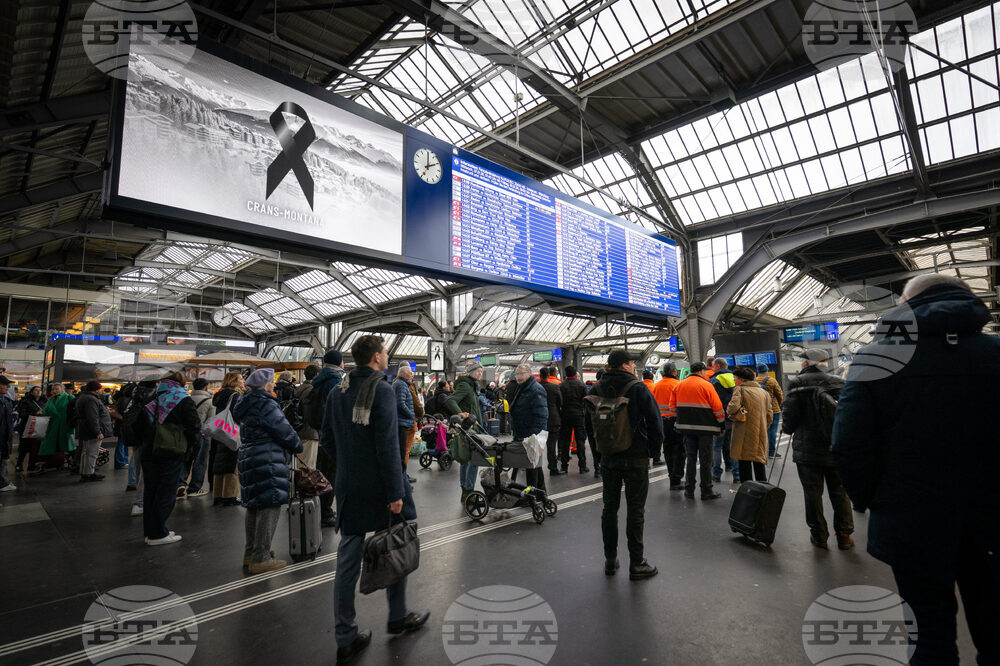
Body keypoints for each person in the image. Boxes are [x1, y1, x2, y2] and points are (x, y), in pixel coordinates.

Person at [832, 274, 1000, 664]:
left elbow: (848, 445)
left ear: (907, 305)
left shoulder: (874, 359)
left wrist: (875, 501)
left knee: (927, 635)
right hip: (993, 518)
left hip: (911, 521)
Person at [322, 335, 429, 663]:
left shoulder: (336, 391)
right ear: (376, 357)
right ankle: (397, 617)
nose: (388, 356)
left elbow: (327, 439)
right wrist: (396, 493)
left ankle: (346, 635)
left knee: (348, 562)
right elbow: (387, 446)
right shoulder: (380, 389)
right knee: (397, 544)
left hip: (350, 487)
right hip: (383, 488)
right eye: (385, 352)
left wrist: (348, 468)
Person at [590, 350, 662, 580]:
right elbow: (655, 424)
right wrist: (653, 452)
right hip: (636, 457)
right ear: (624, 365)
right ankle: (637, 563)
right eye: (632, 363)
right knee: (635, 510)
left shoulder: (596, 389)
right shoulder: (638, 388)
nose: (634, 367)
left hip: (608, 458)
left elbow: (591, 427)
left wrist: (599, 455)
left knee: (609, 509)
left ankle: (610, 560)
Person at [781, 349, 852, 550]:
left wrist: (788, 427)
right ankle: (844, 535)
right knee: (840, 492)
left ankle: (819, 535)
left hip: (807, 449)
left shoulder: (797, 384)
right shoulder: (838, 382)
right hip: (835, 446)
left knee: (812, 493)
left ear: (806, 363)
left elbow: (789, 418)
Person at [235, 368, 303, 574]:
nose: (274, 384)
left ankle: (251, 552)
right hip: (267, 457)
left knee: (255, 506)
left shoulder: (245, 403)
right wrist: (297, 445)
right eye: (270, 382)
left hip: (249, 456)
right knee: (270, 505)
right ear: (265, 385)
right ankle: (261, 557)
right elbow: (283, 429)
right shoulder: (265, 403)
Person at [138, 372, 201, 545]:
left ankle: (150, 531)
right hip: (171, 450)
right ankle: (158, 534)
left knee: (151, 491)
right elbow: (194, 426)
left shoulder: (152, 397)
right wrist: (190, 449)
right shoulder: (183, 398)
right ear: (181, 382)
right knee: (166, 491)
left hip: (149, 450)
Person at [669, 362, 724, 500]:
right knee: (705, 460)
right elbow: (717, 408)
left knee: (691, 458)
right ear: (701, 371)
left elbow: (672, 408)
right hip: (706, 429)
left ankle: (689, 490)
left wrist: (682, 418)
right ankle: (706, 490)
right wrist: (721, 423)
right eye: (705, 371)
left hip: (686, 429)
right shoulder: (707, 385)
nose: (706, 373)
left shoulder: (679, 385)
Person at [311, 349, 346, 528]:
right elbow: (337, 408)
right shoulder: (334, 380)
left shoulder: (319, 379)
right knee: (331, 473)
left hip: (320, 431)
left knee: (323, 470)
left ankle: (322, 509)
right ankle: (325, 512)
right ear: (338, 362)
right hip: (331, 433)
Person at [446, 362, 484, 502]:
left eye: (481, 371)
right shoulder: (466, 386)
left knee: (466, 460)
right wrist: (460, 414)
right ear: (471, 372)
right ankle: (468, 491)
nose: (480, 374)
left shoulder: (471, 386)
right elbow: (450, 401)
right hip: (468, 429)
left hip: (472, 428)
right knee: (473, 460)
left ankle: (465, 490)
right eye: (478, 371)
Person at [727, 367, 771, 483]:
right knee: (758, 462)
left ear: (741, 380)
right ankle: (762, 490)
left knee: (744, 462)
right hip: (760, 432)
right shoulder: (764, 393)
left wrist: (744, 412)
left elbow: (732, 408)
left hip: (743, 432)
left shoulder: (740, 390)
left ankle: (747, 491)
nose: (734, 381)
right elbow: (769, 415)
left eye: (735, 378)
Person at [509, 363, 548, 491]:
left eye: (521, 374)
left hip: (531, 435)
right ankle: (540, 493)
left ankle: (533, 496)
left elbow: (541, 415)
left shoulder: (535, 389)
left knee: (532, 466)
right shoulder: (523, 387)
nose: (518, 377)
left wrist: (534, 437)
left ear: (529, 374)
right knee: (533, 465)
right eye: (516, 374)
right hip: (522, 432)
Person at [211, 371, 244, 507]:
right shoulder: (235, 395)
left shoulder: (220, 394)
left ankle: (218, 494)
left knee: (220, 461)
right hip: (232, 431)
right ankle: (230, 495)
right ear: (234, 382)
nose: (243, 382)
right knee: (232, 463)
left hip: (221, 430)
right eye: (241, 379)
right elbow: (238, 414)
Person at [180, 378, 215, 499]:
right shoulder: (210, 402)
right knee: (200, 462)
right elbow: (211, 421)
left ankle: (180, 484)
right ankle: (194, 488)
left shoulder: (186, 399)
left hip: (187, 434)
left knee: (186, 459)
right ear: (206, 387)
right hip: (202, 436)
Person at [652, 363, 684, 489]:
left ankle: (672, 476)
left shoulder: (656, 385)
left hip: (661, 422)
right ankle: (676, 478)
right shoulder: (677, 384)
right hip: (675, 421)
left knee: (667, 449)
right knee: (679, 450)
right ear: (674, 372)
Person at [75, 380, 114, 482]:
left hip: (86, 429)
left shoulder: (85, 397)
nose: (101, 391)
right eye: (100, 389)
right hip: (91, 431)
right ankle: (89, 474)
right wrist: (98, 432)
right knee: (92, 453)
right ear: (96, 390)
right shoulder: (90, 399)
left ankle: (85, 472)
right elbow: (92, 417)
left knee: (86, 452)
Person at [558, 365, 591, 475]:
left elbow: (559, 402)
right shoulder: (581, 385)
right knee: (580, 440)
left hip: (565, 415)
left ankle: (564, 466)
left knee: (565, 441)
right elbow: (585, 400)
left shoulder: (561, 385)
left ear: (566, 374)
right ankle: (582, 466)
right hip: (578, 415)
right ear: (574, 374)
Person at [709, 358, 737, 483]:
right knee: (733, 446)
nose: (712, 368)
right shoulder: (736, 379)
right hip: (734, 418)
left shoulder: (714, 381)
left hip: (719, 419)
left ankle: (716, 474)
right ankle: (737, 475)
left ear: (718, 366)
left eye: (713, 366)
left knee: (716, 447)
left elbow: (712, 402)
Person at [392, 365, 418, 485]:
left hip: (400, 422)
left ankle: (402, 478)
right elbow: (400, 403)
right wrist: (411, 415)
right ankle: (402, 481)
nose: (412, 375)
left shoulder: (400, 384)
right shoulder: (402, 385)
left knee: (401, 452)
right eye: (410, 373)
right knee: (402, 453)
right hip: (402, 423)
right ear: (404, 374)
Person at [39, 382, 75, 465]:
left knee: (70, 446)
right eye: (53, 389)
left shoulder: (69, 397)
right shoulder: (51, 400)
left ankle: (76, 463)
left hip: (66, 426)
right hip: (53, 426)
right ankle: (52, 463)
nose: (54, 391)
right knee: (50, 445)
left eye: (56, 389)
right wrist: (42, 413)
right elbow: (46, 411)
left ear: (62, 389)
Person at [292, 364, 321, 468]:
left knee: (298, 466)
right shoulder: (311, 391)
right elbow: (311, 413)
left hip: (297, 431)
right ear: (317, 374)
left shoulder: (297, 390)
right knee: (308, 469)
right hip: (309, 432)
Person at [538, 367, 564, 475]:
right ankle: (553, 468)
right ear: (549, 375)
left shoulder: (536, 387)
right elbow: (560, 403)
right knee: (551, 445)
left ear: (540, 375)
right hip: (553, 419)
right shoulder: (554, 387)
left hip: (539, 420)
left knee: (537, 444)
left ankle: (535, 468)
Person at [14, 385, 45, 476]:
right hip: (26, 427)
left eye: (40, 390)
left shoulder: (44, 400)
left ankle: (31, 465)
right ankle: (19, 464)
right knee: (24, 446)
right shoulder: (25, 401)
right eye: (36, 390)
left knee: (34, 447)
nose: (38, 392)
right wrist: (35, 413)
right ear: (31, 392)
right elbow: (22, 414)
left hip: (39, 426)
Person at [756, 364, 784, 458]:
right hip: (773, 409)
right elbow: (779, 394)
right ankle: (771, 452)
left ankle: (762, 451)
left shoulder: (754, 381)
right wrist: (779, 405)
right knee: (772, 430)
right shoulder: (771, 380)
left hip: (760, 409)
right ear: (766, 370)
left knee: (762, 430)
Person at [0, 376, 15, 492]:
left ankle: (3, 483)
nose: (8, 387)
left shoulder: (4, 401)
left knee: (3, 461)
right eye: (5, 384)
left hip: (4, 438)